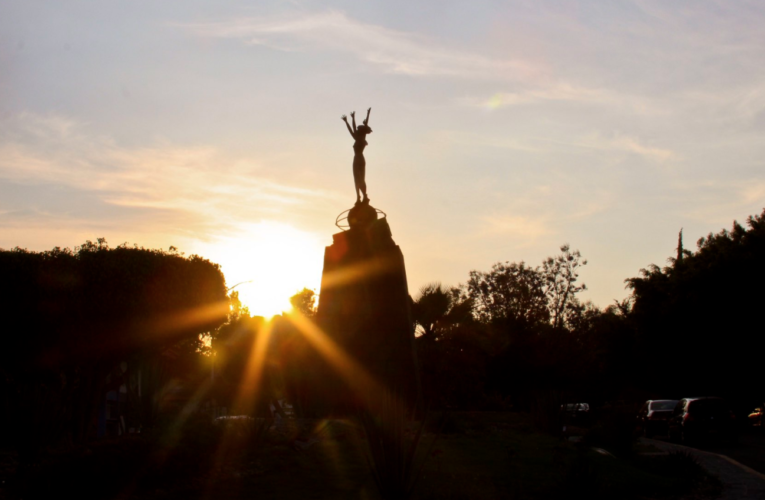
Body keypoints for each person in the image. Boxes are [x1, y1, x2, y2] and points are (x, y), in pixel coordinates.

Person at [341, 108, 372, 203]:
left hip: (357, 158)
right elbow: (354, 128)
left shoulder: (358, 138)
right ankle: (363, 196)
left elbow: (352, 129)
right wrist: (367, 114)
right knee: (361, 178)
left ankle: (360, 197)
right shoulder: (361, 138)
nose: (357, 130)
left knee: (357, 178)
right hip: (361, 158)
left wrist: (349, 120)